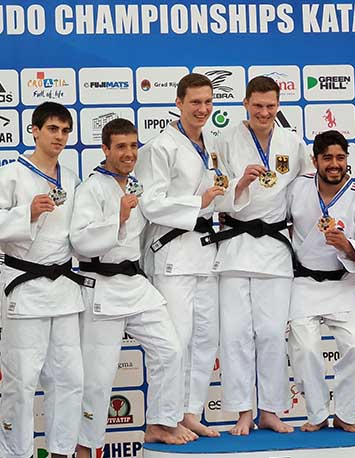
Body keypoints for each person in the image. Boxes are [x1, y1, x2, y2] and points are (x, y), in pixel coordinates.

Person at [136, 73, 253, 437]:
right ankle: (163, 418)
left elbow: (219, 194)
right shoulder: (160, 147)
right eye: (195, 103)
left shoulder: (213, 143)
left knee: (206, 338)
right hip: (172, 252)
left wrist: (239, 187)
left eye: (208, 102)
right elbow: (150, 203)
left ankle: (187, 411)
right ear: (179, 103)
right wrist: (196, 202)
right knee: (176, 340)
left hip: (206, 252)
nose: (202, 109)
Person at [70, 119, 196, 454]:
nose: (129, 153)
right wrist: (118, 218)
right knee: (98, 379)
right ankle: (86, 447)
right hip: (101, 287)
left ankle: (160, 423)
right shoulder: (92, 188)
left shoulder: (137, 185)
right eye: (121, 146)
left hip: (135, 284)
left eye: (134, 146)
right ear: (106, 149)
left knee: (170, 349)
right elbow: (80, 242)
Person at [206, 75, 313, 435]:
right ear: (245, 104)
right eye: (258, 106)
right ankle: (242, 412)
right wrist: (240, 184)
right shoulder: (224, 140)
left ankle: (270, 409)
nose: (264, 112)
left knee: (269, 332)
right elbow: (215, 193)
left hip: (274, 248)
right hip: (236, 246)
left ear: (278, 105)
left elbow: (307, 190)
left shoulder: (293, 142)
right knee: (235, 333)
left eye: (270, 106)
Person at [0, 102, 87, 458]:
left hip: (64, 287)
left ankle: (61, 451)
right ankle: (15, 453)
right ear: (34, 130)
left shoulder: (73, 178)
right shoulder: (11, 174)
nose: (60, 137)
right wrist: (27, 214)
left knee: (69, 379)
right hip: (26, 285)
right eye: (53, 129)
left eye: (66, 131)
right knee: (21, 383)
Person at [287, 130, 355, 433]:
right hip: (302, 283)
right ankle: (315, 414)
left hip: (343, 285)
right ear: (314, 160)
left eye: (340, 157)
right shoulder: (297, 189)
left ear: (347, 160)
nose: (334, 163)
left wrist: (348, 246)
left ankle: (344, 414)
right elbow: (278, 224)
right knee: (307, 351)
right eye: (327, 157)